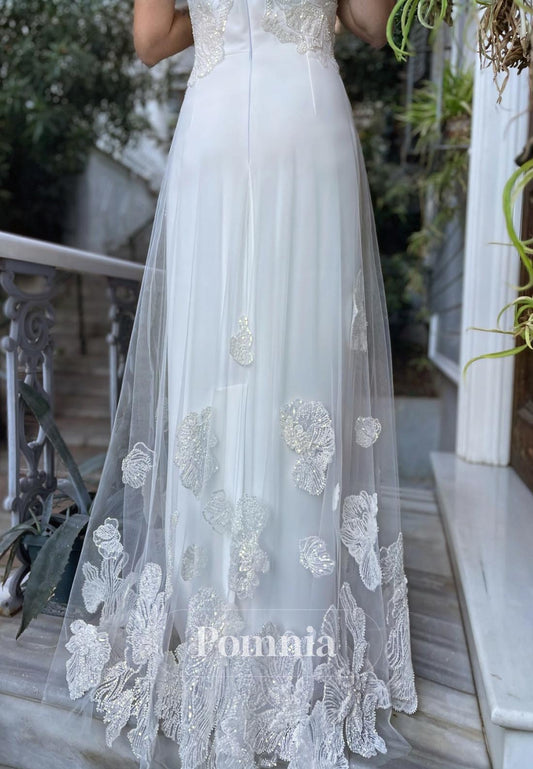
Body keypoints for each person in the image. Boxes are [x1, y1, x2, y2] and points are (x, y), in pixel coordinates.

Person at [43, 0, 418, 766]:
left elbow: (152, 40)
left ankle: (210, 624)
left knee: (214, 377)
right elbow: (372, 22)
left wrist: (221, 24)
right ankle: (292, 636)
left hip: (215, 133)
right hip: (305, 127)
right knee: (303, 371)